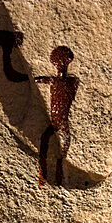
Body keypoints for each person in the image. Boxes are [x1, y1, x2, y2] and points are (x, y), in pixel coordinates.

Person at [35, 46, 79, 187]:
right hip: (57, 121)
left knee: (59, 149)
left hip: (60, 120)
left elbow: (39, 80)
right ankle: (45, 176)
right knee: (51, 146)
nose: (60, 66)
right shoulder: (66, 82)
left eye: (62, 63)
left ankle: (55, 177)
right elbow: (38, 80)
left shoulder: (66, 81)